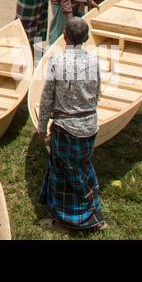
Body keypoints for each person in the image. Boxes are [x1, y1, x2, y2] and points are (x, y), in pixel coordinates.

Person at [36, 16, 105, 233]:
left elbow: (47, 98)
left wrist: (41, 127)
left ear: (64, 37)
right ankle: (93, 212)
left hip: (66, 128)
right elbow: (97, 92)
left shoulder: (57, 62)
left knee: (63, 173)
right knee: (82, 167)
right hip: (89, 126)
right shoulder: (94, 62)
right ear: (86, 38)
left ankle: (69, 222)